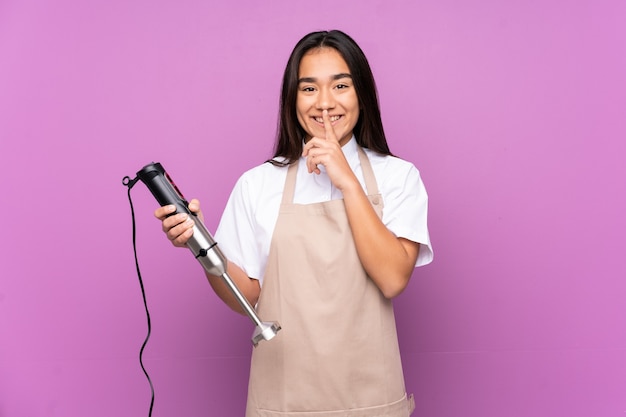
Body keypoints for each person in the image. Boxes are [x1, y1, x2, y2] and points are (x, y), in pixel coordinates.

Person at [155, 29, 433, 417]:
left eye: (340, 85)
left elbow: (392, 278)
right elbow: (249, 296)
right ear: (292, 98)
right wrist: (200, 246)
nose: (324, 103)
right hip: (282, 401)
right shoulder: (258, 183)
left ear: (362, 95)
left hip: (371, 400)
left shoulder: (398, 177)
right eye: (308, 89)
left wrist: (348, 182)